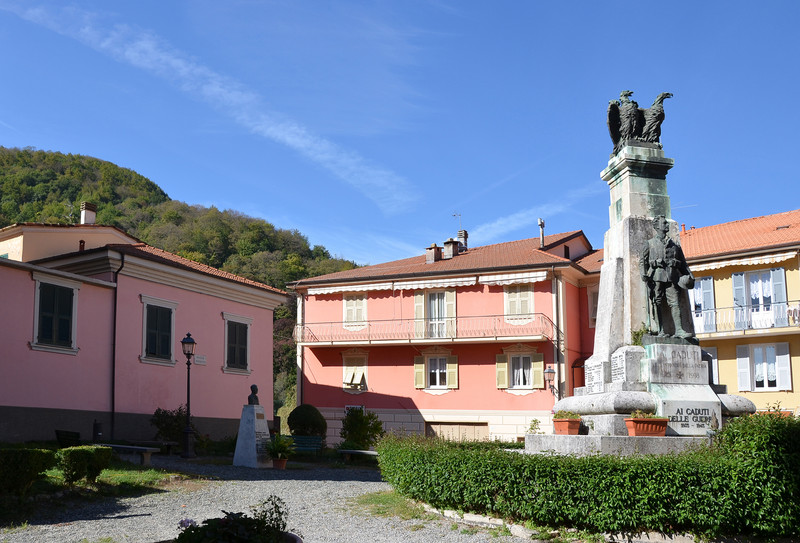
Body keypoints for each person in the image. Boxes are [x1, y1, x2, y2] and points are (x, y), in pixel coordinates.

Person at [640, 215, 695, 339]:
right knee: (657, 302)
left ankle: (679, 330)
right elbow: (643, 261)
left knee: (675, 302)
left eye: (666, 223)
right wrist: (644, 274)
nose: (666, 225)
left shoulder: (674, 245)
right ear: (657, 226)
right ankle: (660, 330)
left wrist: (688, 274)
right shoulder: (649, 243)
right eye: (664, 223)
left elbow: (683, 263)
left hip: (671, 277)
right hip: (656, 277)